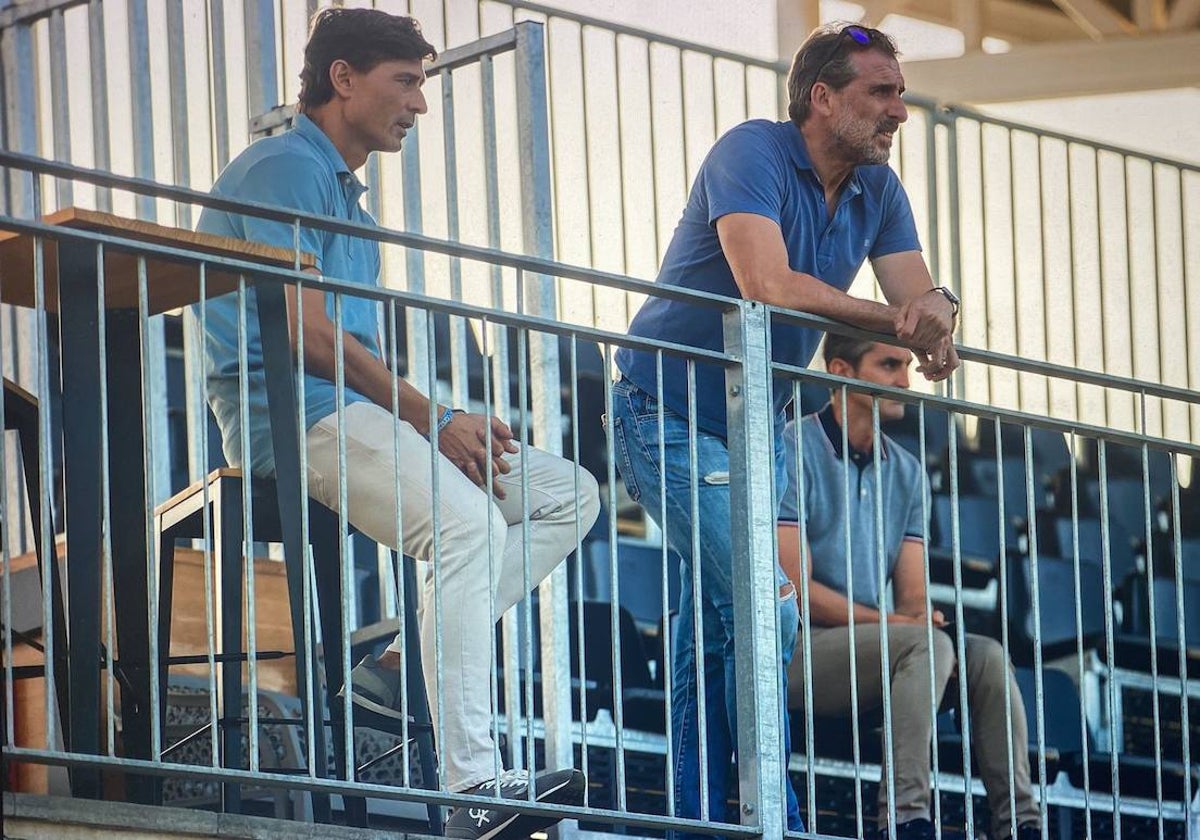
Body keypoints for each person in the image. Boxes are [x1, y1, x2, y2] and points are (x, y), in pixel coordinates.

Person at [189, 8, 598, 839]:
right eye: (406, 81)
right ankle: (473, 790)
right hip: (293, 418)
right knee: (470, 524)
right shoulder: (280, 167)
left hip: (356, 415)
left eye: (423, 84)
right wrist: (436, 416)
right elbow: (305, 335)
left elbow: (344, 347)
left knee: (569, 492)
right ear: (343, 79)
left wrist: (429, 426)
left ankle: (395, 665)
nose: (419, 103)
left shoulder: (354, 210)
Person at [609, 22, 960, 838]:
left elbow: (922, 297)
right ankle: (777, 815)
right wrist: (903, 319)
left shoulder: (880, 189)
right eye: (882, 92)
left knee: (714, 626)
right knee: (769, 609)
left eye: (901, 92)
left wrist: (940, 313)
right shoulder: (753, 151)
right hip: (665, 412)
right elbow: (765, 283)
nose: (900, 110)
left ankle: (699, 816)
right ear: (823, 97)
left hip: (756, 423)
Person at [777, 335, 1041, 840]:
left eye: (906, 366)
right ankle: (904, 819)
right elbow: (796, 592)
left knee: (984, 655)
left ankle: (1021, 825)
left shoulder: (909, 472)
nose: (905, 379)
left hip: (877, 651)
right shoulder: (791, 447)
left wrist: (917, 618)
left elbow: (913, 596)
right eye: (890, 365)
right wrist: (903, 627)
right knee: (924, 644)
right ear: (841, 370)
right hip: (798, 652)